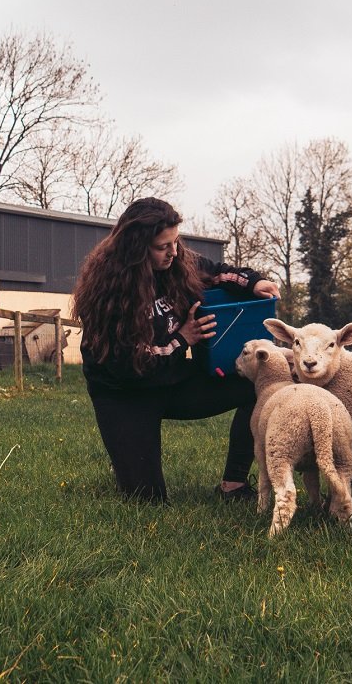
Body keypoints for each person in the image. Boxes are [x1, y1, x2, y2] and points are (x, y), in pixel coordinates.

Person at [71, 197, 281, 503]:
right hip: (124, 393)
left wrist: (255, 283)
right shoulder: (108, 290)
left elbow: (219, 272)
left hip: (172, 378)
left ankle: (233, 486)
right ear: (137, 247)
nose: (173, 251)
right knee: (147, 501)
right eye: (162, 246)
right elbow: (129, 364)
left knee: (260, 383)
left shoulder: (177, 260)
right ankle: (128, 456)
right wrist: (183, 339)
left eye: (176, 242)